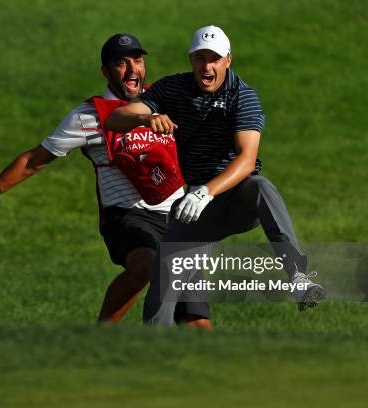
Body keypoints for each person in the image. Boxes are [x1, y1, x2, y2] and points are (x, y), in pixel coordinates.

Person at [0, 33, 212, 328]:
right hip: (126, 217)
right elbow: (34, 161)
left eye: (137, 60)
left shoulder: (164, 99)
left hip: (178, 216)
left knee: (197, 323)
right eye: (121, 63)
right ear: (106, 71)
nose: (133, 69)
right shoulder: (88, 116)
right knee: (145, 265)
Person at [106, 25, 326, 325]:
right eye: (200, 58)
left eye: (214, 59)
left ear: (228, 61)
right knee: (160, 295)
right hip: (196, 209)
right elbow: (116, 120)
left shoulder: (243, 96)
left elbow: (247, 160)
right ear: (191, 60)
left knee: (261, 186)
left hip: (234, 198)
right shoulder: (173, 89)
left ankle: (298, 278)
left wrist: (205, 192)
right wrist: (148, 116)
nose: (206, 66)